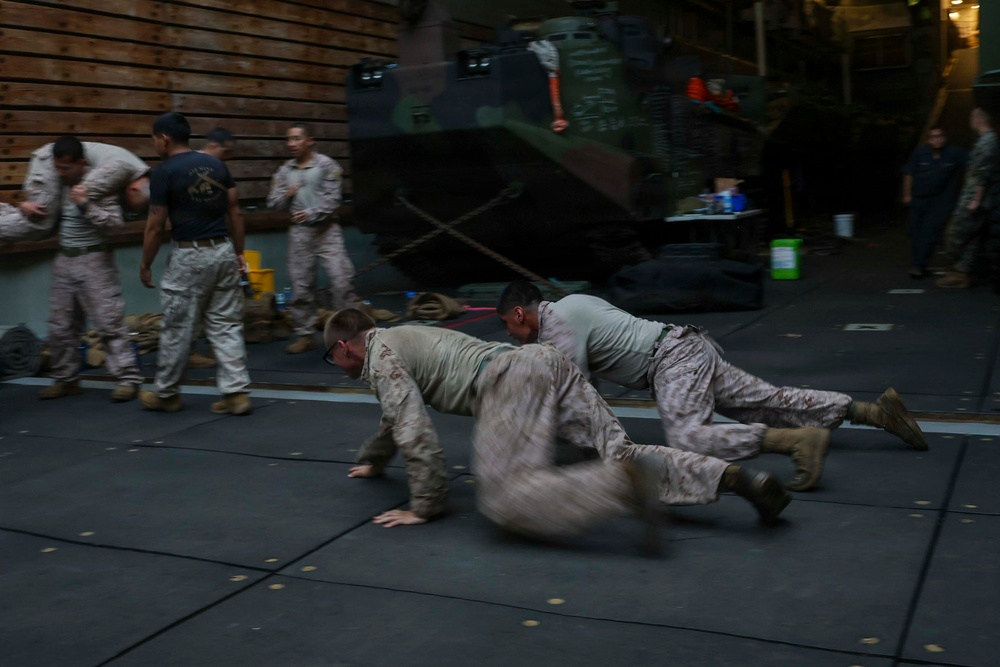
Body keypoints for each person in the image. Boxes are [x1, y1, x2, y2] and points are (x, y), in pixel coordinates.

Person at [323, 308, 791, 547]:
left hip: (507, 381)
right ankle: (729, 475)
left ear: (345, 346)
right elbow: (393, 418)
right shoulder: (402, 338)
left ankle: (625, 485)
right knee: (620, 452)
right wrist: (372, 459)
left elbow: (414, 430)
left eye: (332, 357)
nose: (336, 365)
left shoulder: (381, 360)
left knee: (503, 500)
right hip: (546, 364)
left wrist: (423, 506)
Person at [496, 283, 928, 492]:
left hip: (671, 363)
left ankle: (798, 443)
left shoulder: (556, 329)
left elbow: (578, 398)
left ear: (520, 314)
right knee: (767, 400)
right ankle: (877, 412)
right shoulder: (575, 301)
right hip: (687, 346)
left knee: (688, 437)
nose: (513, 337)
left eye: (508, 328)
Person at [138, 111, 252, 416]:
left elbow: (155, 225)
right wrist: (239, 253)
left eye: (154, 139)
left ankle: (167, 394)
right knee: (226, 324)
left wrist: (146, 263)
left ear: (164, 138)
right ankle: (236, 394)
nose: (154, 145)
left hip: (190, 256)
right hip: (224, 251)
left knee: (177, 326)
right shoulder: (217, 165)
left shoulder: (164, 172)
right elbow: (235, 213)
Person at [35, 136, 146, 402]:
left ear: (81, 163)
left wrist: (86, 204)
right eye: (57, 168)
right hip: (65, 260)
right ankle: (66, 379)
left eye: (66, 168)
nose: (60, 173)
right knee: (60, 327)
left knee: (109, 323)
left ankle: (128, 378)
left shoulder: (99, 188)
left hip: (94, 260)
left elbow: (114, 226)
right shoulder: (59, 188)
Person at [267, 122, 359, 354]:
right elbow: (273, 203)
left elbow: (333, 199)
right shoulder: (285, 171)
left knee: (341, 281)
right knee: (301, 287)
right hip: (300, 234)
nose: (292, 144)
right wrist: (287, 195)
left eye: (297, 138)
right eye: (289, 139)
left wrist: (310, 212)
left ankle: (350, 336)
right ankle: (305, 334)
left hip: (328, 231)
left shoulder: (327, 165)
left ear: (309, 140)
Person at [1, 141, 149, 244]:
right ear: (133, 189)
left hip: (62, 161)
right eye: (134, 208)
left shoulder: (140, 172)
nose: (131, 212)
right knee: (42, 224)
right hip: (54, 161)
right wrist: (22, 205)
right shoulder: (119, 170)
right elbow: (76, 196)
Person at [186, 127, 238, 370]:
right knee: (201, 303)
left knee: (211, 303)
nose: (227, 157)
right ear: (216, 146)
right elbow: (233, 211)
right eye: (226, 151)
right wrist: (239, 249)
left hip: (198, 244)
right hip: (199, 244)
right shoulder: (208, 167)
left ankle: (215, 351)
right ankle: (193, 352)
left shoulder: (187, 164)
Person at [936, 108, 999, 289]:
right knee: (972, 238)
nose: (970, 121)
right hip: (975, 198)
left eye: (972, 117)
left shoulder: (988, 141)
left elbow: (983, 174)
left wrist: (976, 200)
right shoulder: (985, 140)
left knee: (955, 233)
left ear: (978, 119)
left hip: (974, 199)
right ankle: (961, 274)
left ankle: (958, 270)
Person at [902, 126, 967, 279]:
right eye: (933, 137)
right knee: (915, 231)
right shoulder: (920, 153)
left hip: (940, 200)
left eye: (940, 136)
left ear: (945, 138)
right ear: (928, 140)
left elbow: (974, 162)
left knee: (929, 232)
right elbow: (909, 173)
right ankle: (920, 263)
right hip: (919, 198)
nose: (937, 139)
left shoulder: (954, 153)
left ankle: (918, 266)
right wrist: (907, 194)